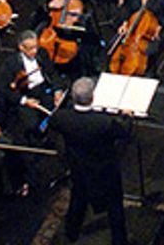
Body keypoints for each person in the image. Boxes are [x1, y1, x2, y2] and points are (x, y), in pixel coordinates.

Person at [48, 77, 133, 245]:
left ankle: (71, 233)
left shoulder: (61, 118)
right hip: (105, 170)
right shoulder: (104, 122)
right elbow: (124, 132)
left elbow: (53, 122)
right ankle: (119, 241)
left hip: (79, 168)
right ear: (92, 97)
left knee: (78, 199)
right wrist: (127, 117)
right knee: (115, 206)